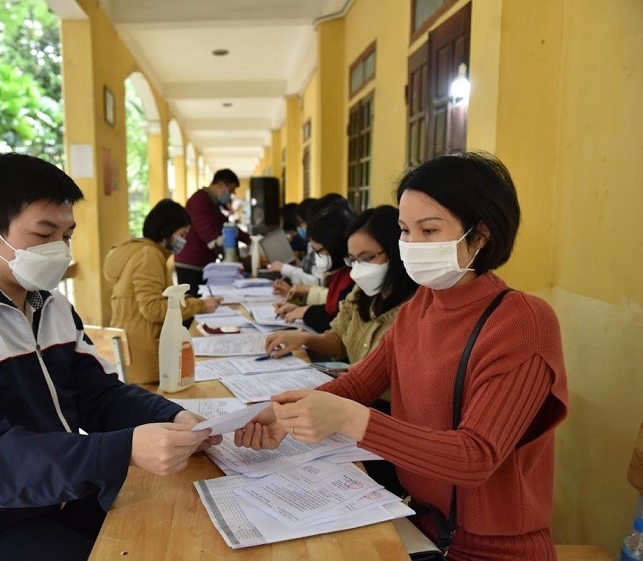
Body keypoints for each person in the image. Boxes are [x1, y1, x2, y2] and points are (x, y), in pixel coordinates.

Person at [0, 153, 220, 561]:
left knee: (183, 529)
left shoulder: (52, 306)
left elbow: (98, 395)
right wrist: (121, 450)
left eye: (66, 235)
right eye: (44, 234)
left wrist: (172, 417)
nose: (60, 249)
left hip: (54, 501)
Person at [235, 152, 569, 560]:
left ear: (480, 235)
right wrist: (281, 412)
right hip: (421, 524)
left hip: (492, 549)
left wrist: (347, 418)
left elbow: (475, 457)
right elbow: (359, 384)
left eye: (429, 230)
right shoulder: (420, 307)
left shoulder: (523, 322)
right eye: (405, 231)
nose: (411, 245)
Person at [265, 205, 417, 364]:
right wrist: (305, 339)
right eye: (353, 260)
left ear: (395, 251)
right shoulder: (359, 294)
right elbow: (338, 339)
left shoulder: (415, 309)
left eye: (367, 258)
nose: (358, 270)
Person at [104, 199, 221, 384]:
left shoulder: (143, 251)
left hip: (133, 352)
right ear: (165, 230)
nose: (183, 241)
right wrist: (200, 305)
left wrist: (190, 300)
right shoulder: (149, 255)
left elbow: (160, 297)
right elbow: (152, 308)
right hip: (145, 358)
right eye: (182, 234)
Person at [274, 205, 355, 333]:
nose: (318, 257)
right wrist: (300, 310)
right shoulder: (337, 273)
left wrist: (306, 312)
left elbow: (337, 323)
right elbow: (331, 309)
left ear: (335, 246)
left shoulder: (353, 277)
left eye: (320, 251)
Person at [174, 168, 250, 296]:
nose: (230, 195)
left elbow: (226, 225)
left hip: (202, 262)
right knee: (193, 302)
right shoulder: (199, 200)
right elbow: (209, 235)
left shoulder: (211, 203)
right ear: (221, 185)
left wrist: (248, 239)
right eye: (230, 191)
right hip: (191, 263)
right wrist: (229, 249)